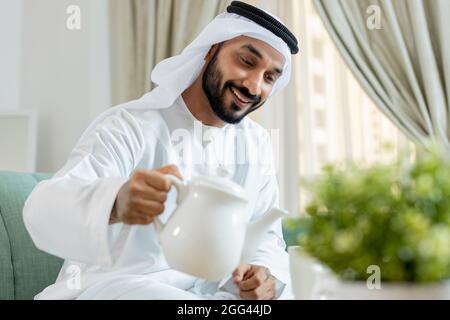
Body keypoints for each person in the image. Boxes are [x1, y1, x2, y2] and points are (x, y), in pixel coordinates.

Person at [23, 1, 299, 300]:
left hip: (209, 293)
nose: (255, 86)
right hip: (120, 288)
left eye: (270, 77)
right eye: (246, 61)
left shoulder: (255, 143)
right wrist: (115, 201)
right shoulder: (129, 126)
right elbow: (42, 210)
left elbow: (267, 238)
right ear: (210, 50)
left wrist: (264, 276)